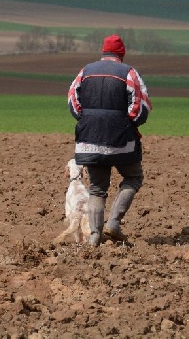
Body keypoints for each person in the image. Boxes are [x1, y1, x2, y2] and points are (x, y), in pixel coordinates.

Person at [67, 34, 152, 246]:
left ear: (103, 52)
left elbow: (73, 102)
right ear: (121, 54)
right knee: (133, 177)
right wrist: (130, 124)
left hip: (89, 138)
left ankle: (95, 236)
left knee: (97, 188)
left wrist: (88, 121)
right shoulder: (129, 72)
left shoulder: (84, 71)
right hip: (122, 139)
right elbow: (141, 106)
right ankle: (113, 223)